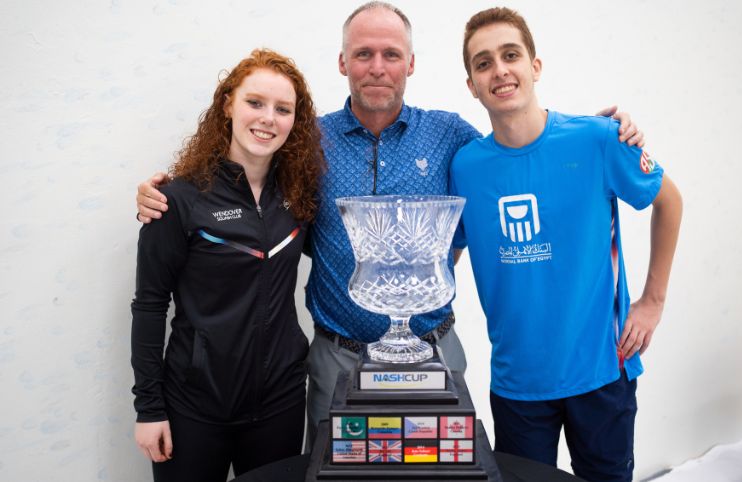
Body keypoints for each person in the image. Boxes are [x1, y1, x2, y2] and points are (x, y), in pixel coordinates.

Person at [134, 1, 645, 450]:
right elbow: (252, 181)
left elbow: (510, 155)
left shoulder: (449, 135)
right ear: (343, 63)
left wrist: (598, 131)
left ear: (411, 64)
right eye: (363, 54)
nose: (377, 67)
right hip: (338, 357)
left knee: (447, 472)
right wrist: (170, 193)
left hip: (433, 352)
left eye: (391, 54)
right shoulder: (308, 143)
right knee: (335, 472)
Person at [451, 8, 683, 482]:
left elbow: (669, 202)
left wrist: (653, 302)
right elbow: (447, 254)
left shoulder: (598, 139)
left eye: (510, 55)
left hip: (601, 371)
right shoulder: (465, 168)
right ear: (472, 85)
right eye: (483, 63)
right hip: (518, 384)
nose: (499, 70)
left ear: (534, 67)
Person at [130, 49, 323, 482]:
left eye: (283, 109)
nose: (267, 118)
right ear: (228, 106)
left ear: (295, 122)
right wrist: (149, 408)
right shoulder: (177, 200)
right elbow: (149, 306)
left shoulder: (299, 198)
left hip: (280, 406)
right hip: (193, 409)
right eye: (255, 102)